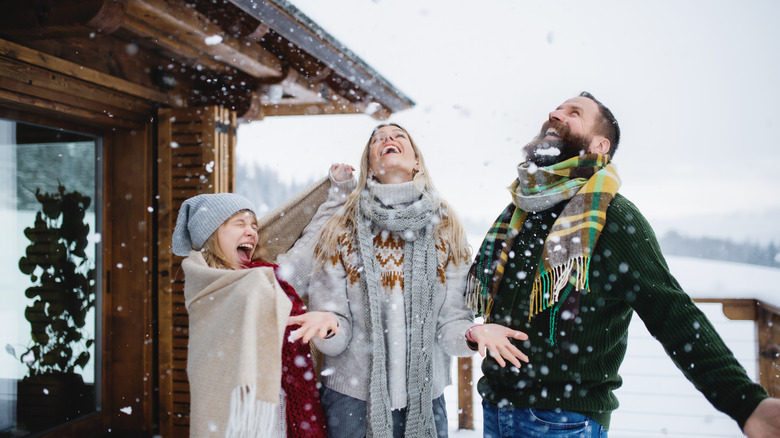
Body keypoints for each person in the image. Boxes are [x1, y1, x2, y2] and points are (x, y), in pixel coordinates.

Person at [466, 92, 780, 437]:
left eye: (574, 113)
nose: (555, 114)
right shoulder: (521, 211)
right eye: (556, 108)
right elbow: (493, 304)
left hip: (563, 421)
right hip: (496, 409)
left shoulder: (611, 216)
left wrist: (745, 402)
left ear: (600, 145)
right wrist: (476, 330)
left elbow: (671, 312)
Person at [299, 124, 529, 438]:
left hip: (424, 401)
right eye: (377, 140)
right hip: (349, 402)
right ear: (370, 165)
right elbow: (336, 335)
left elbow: (450, 325)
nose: (387, 139)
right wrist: (329, 324)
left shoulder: (446, 227)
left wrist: (473, 331)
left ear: (416, 162)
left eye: (398, 136)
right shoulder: (342, 227)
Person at [171, 163, 355, 438]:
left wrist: (339, 192)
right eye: (240, 223)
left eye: (254, 225)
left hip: (284, 405)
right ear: (211, 234)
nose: (251, 232)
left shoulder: (268, 278)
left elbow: (310, 244)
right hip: (237, 418)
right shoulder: (206, 287)